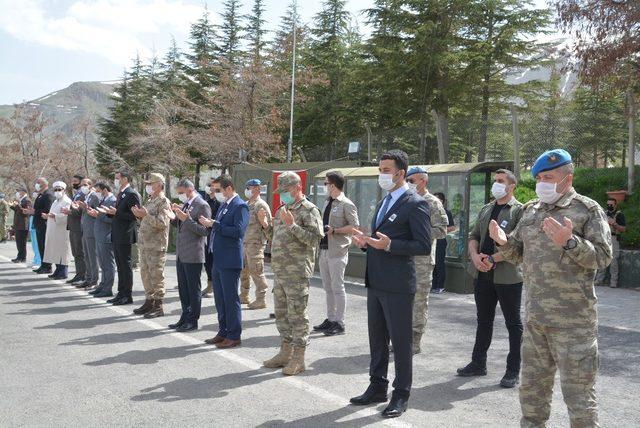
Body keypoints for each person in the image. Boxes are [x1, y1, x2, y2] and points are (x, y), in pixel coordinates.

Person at [489, 149, 612, 427]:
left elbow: (603, 258)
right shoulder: (532, 209)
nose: (542, 182)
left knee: (580, 400)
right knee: (532, 397)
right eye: (540, 177)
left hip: (574, 324)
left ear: (567, 179)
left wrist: (570, 242)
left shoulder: (587, 209)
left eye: (549, 176)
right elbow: (518, 252)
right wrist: (504, 242)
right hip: (536, 321)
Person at [349, 150, 431, 419]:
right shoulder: (384, 201)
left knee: (401, 341)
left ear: (401, 173)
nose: (381, 174)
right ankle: (377, 386)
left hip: (398, 284)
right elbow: (379, 239)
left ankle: (401, 393)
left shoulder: (415, 203)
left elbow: (422, 245)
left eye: (386, 169)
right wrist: (367, 242)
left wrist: (391, 245)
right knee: (377, 339)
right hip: (377, 281)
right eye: (380, 169)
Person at [457, 169, 524, 388]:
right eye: (495, 180)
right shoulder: (487, 208)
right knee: (483, 321)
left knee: (513, 323)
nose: (496, 184)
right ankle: (478, 363)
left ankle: (513, 370)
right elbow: (473, 235)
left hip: (508, 276)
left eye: (501, 181)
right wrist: (475, 256)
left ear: (511, 186)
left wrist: (493, 259)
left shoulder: (519, 211)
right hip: (483, 273)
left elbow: (519, 246)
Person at [262, 171, 324, 376]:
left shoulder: (309, 210)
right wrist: (266, 227)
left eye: (286, 190)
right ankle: (285, 352)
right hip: (280, 272)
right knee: (281, 313)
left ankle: (299, 358)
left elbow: (315, 240)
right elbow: (275, 237)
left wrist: (293, 225)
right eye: (280, 191)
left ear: (298, 188)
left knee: (297, 315)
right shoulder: (282, 209)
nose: (282, 194)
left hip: (297, 272)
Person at [199, 175, 249, 348]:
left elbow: (238, 231)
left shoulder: (240, 205)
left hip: (230, 260)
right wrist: (210, 224)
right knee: (220, 299)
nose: (216, 193)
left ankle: (234, 335)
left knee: (230, 298)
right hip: (219, 259)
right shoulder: (225, 205)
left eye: (218, 190)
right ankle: (223, 331)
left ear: (228, 188)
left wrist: (215, 224)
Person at [405, 166, 448, 354]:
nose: (409, 184)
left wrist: (418, 233)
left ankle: (415, 341)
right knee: (404, 301)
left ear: (424, 181)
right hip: (404, 259)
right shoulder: (406, 199)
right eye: (407, 180)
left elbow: (442, 230)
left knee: (419, 301)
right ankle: (402, 338)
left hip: (422, 261)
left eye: (412, 180)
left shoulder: (432, 202)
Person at [313, 171, 359, 336]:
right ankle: (331, 319)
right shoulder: (327, 202)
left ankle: (340, 322)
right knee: (328, 288)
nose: (324, 186)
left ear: (333, 185)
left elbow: (354, 227)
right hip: (324, 250)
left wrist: (335, 230)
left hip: (337, 251)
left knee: (337, 287)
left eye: (325, 183)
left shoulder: (347, 204)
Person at [168, 178, 211, 332]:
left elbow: (204, 231)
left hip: (193, 253)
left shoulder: (202, 205)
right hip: (182, 253)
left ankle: (193, 320)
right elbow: (180, 225)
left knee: (193, 289)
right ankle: (185, 316)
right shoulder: (187, 204)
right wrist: (173, 215)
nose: (180, 195)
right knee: (183, 288)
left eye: (181, 192)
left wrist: (186, 219)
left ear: (189, 189)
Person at [131, 173, 173, 318]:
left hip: (156, 246)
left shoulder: (163, 202)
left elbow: (162, 223)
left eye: (151, 183)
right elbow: (145, 219)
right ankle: (149, 301)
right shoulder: (151, 200)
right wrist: (138, 214)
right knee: (145, 275)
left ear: (159, 184)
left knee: (156, 276)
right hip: (145, 244)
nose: (148, 186)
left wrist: (146, 215)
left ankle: (158, 305)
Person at [104, 170, 141, 306]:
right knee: (119, 265)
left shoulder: (131, 194)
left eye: (117, 178)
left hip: (125, 234)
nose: (116, 180)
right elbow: (120, 214)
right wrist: (111, 213)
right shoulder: (121, 193)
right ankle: (121, 293)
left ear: (125, 179)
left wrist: (117, 212)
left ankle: (127, 295)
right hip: (117, 233)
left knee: (126, 265)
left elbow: (135, 216)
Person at [240, 178, 272, 310]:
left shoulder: (261, 205)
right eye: (247, 187)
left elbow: (269, 226)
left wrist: (263, 221)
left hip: (256, 244)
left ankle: (261, 299)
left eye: (250, 187)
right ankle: (244, 295)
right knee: (244, 271)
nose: (247, 190)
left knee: (257, 272)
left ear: (258, 189)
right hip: (245, 243)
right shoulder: (246, 204)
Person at [87, 182, 117, 298]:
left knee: (108, 263)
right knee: (102, 263)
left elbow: (112, 219)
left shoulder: (112, 200)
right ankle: (103, 285)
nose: (96, 193)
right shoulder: (104, 200)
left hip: (106, 236)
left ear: (104, 189)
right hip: (99, 235)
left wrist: (97, 215)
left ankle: (108, 288)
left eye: (98, 191)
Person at [42, 181, 72, 280]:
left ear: (64, 190)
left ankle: (63, 272)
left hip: (62, 230)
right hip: (53, 229)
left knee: (62, 251)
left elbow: (66, 216)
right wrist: (48, 216)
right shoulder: (55, 201)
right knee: (54, 250)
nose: (57, 191)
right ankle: (58, 270)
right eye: (56, 190)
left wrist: (54, 216)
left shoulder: (67, 201)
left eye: (59, 189)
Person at [595, 197, 626, 288]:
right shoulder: (604, 213)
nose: (609, 206)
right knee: (602, 257)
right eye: (608, 204)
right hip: (604, 237)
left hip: (613, 237)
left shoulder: (619, 215)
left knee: (613, 260)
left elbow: (623, 229)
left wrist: (614, 223)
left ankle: (613, 281)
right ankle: (599, 279)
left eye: (611, 205)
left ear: (615, 205)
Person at [61, 175, 86, 285]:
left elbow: (80, 211)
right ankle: (78, 274)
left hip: (78, 227)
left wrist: (69, 212)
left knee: (80, 252)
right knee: (76, 252)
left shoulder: (82, 194)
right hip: (73, 226)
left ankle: (83, 275)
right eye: (73, 181)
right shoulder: (76, 193)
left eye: (75, 181)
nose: (73, 183)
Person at [27, 177, 55, 274]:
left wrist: (35, 211)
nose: (37, 184)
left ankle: (47, 266)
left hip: (44, 224)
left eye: (39, 182)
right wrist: (32, 211)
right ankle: (43, 265)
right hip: (38, 223)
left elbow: (48, 210)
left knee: (44, 246)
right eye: (37, 182)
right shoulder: (40, 195)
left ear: (45, 184)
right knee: (40, 246)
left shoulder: (48, 195)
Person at [77, 179, 101, 289]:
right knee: (86, 255)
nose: (83, 187)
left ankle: (94, 280)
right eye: (81, 185)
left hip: (92, 230)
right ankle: (88, 278)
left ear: (91, 186)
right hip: (85, 230)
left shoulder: (95, 196)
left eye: (85, 185)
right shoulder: (86, 197)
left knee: (92, 256)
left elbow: (97, 212)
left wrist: (86, 208)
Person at [431, 192, 455, 294]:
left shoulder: (446, 212)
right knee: (433, 263)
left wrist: (441, 230)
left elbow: (452, 227)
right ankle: (434, 285)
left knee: (439, 263)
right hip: (432, 241)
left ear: (442, 201)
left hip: (440, 241)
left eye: (438, 199)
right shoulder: (431, 211)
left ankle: (440, 286)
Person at [202, 179, 222, 298]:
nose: (209, 187)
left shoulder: (220, 202)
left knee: (214, 262)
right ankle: (210, 284)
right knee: (207, 261)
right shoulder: (206, 201)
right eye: (208, 185)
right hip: (205, 235)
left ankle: (215, 286)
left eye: (211, 185)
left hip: (215, 235)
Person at [10, 188, 31, 263]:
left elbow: (26, 212)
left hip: (23, 225)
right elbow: (18, 211)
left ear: (24, 192)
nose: (18, 193)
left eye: (20, 191)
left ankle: (22, 257)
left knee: (22, 243)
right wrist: (12, 206)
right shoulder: (21, 200)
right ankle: (19, 256)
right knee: (19, 242)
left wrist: (17, 206)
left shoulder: (27, 200)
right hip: (18, 224)